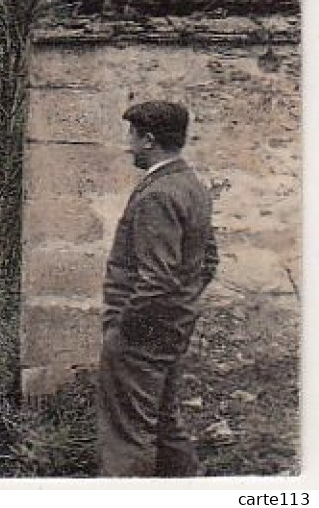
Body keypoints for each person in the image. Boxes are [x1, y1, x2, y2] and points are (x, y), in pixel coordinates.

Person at [99, 100, 219, 477]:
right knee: (166, 426)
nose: (128, 146)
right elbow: (208, 260)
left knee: (128, 437)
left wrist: (124, 331)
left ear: (148, 140)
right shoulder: (191, 185)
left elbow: (156, 280)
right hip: (172, 327)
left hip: (142, 336)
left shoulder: (158, 194)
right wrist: (182, 306)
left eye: (132, 137)